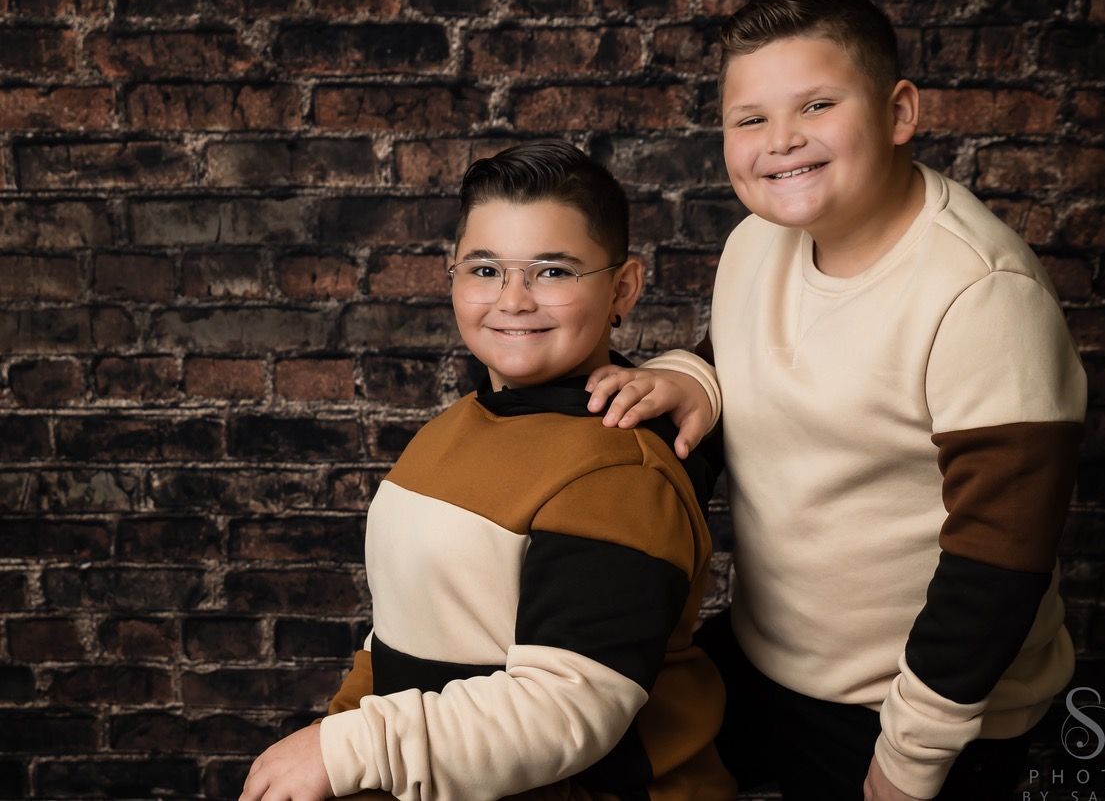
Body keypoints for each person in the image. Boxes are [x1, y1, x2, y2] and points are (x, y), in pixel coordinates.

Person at [586, 0, 1087, 801]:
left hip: (925, 710)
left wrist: (911, 758)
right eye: (750, 119)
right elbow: (755, 356)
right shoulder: (759, 242)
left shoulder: (983, 296)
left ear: (898, 114)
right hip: (770, 659)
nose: (780, 140)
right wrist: (692, 374)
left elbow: (997, 567)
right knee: (584, 755)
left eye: (817, 105)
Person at [239, 141, 735, 801]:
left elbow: (566, 709)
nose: (514, 299)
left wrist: (349, 747)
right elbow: (399, 634)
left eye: (552, 271)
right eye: (484, 269)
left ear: (623, 287)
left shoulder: (618, 468)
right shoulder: (447, 433)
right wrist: (343, 734)